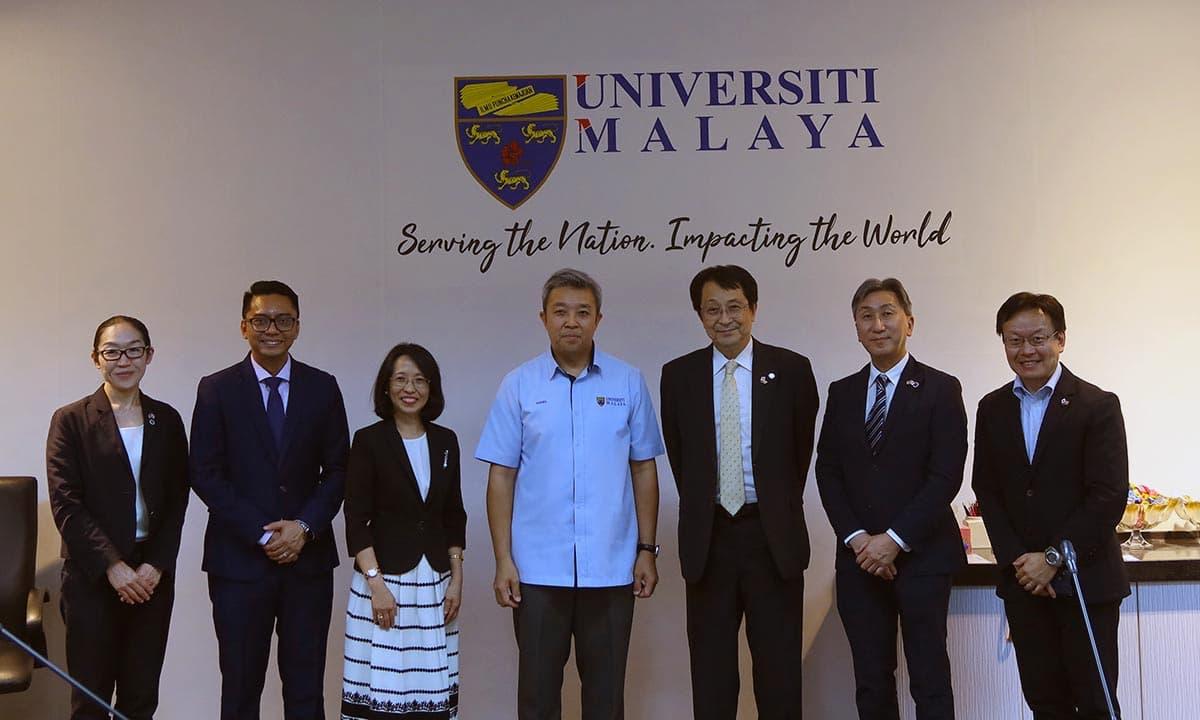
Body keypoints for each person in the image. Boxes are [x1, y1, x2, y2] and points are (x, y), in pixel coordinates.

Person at [476, 268, 663, 720]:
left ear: (599, 319)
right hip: (538, 570)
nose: (571, 322)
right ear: (543, 318)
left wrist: (646, 550)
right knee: (538, 696)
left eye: (583, 312)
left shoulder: (628, 381)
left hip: (612, 567)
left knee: (606, 697)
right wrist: (503, 559)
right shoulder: (519, 385)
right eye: (561, 312)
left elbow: (643, 467)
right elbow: (501, 476)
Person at [659, 264, 818, 719]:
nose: (724, 319)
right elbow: (681, 457)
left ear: (753, 309)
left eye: (735, 307)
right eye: (712, 309)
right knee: (711, 675)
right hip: (709, 539)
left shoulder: (791, 369)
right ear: (699, 315)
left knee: (779, 672)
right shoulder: (678, 375)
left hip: (771, 538)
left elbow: (799, 453)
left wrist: (774, 507)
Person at [190, 280, 349, 720]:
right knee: (240, 690)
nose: (272, 329)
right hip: (239, 563)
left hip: (308, 562)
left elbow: (339, 469)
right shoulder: (216, 389)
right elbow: (204, 473)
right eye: (260, 321)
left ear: (297, 327)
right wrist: (262, 535)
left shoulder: (322, 387)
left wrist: (303, 527)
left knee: (305, 690)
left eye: (283, 320)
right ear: (244, 327)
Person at [814, 278, 967, 720]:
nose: (877, 325)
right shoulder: (842, 392)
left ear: (909, 323)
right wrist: (859, 539)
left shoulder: (941, 388)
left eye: (887, 314)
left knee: (929, 679)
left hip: (923, 557)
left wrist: (894, 539)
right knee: (871, 681)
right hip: (859, 561)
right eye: (866, 316)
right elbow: (828, 470)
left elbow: (945, 476)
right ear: (856, 328)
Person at [972, 292, 1129, 719]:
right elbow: (987, 490)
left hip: (1086, 583)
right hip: (1025, 586)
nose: (1026, 350)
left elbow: (1108, 495)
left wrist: (1054, 558)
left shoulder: (1097, 405)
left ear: (1060, 339)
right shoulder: (992, 408)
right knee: (1045, 704)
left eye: (1037, 338)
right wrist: (1021, 562)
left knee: (1096, 705)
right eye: (1014, 340)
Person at [46, 315, 189, 719]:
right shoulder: (70, 420)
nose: (123, 361)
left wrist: (155, 566)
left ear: (149, 355)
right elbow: (66, 503)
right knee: (90, 702)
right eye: (112, 352)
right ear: (96, 358)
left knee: (140, 700)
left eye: (133, 350)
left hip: (151, 578)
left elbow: (177, 500)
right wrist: (113, 566)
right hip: (92, 578)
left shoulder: (167, 420)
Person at [341, 343, 466, 719]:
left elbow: (453, 515)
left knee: (430, 689)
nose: (410, 388)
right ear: (386, 386)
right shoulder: (369, 441)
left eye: (419, 380)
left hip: (435, 586)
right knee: (383, 687)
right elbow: (355, 519)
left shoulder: (446, 441)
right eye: (400, 379)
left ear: (431, 388)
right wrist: (376, 585)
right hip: (383, 585)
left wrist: (456, 580)